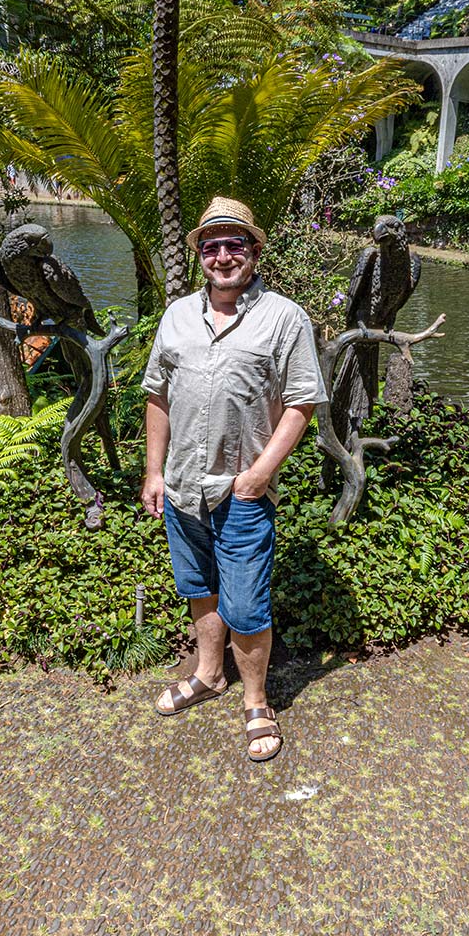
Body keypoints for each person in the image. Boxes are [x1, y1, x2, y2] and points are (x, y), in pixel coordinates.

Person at [139, 197, 327, 762]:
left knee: (246, 606)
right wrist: (154, 471)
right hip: (180, 488)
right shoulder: (175, 316)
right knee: (199, 588)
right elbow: (158, 394)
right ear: (200, 253)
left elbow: (301, 402)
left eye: (235, 244)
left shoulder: (285, 318)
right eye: (213, 244)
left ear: (254, 251)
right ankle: (207, 675)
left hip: (239, 491)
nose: (223, 255)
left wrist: (259, 475)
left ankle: (255, 701)